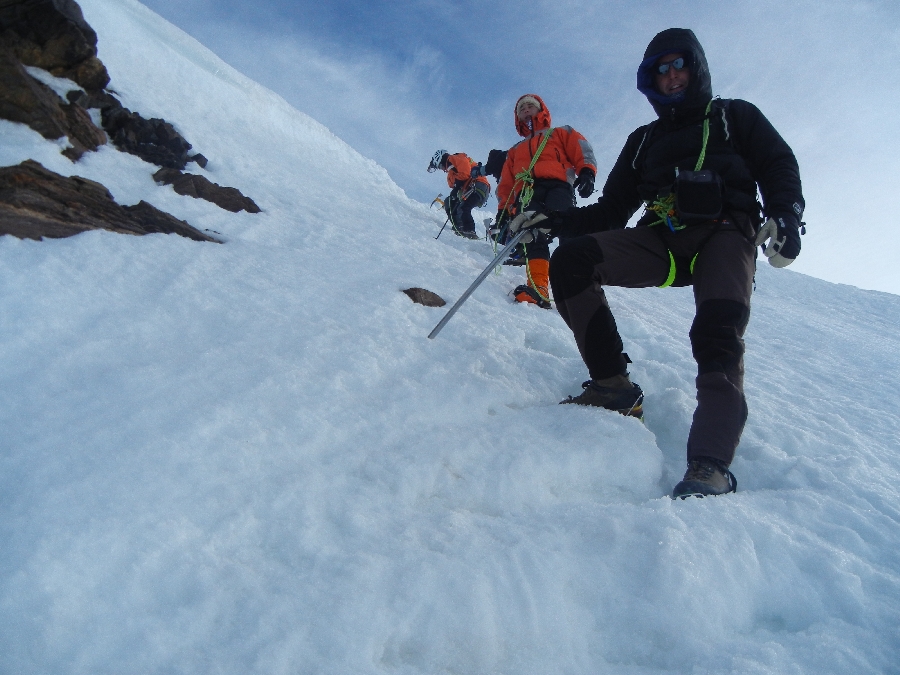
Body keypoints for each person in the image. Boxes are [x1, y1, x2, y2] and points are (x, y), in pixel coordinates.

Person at [507, 28, 805, 498]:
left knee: (717, 331)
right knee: (573, 262)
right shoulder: (643, 141)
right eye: (660, 70)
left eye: (680, 64)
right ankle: (613, 387)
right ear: (651, 81)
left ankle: (710, 463)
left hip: (727, 232)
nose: (672, 76)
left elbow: (777, 162)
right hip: (663, 238)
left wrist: (787, 214)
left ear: (697, 67)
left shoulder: (734, 116)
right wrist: (554, 219)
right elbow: (611, 211)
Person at [494, 94, 597, 308]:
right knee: (532, 233)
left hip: (558, 186)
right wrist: (503, 209)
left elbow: (581, 149)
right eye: (521, 108)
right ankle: (538, 287)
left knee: (566, 228)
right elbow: (506, 182)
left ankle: (577, 285)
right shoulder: (514, 151)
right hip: (527, 191)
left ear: (542, 111)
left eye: (531, 105)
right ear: (517, 117)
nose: (526, 109)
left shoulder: (560, 133)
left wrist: (587, 172)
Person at [427, 150, 491, 239]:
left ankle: (469, 231)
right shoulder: (451, 173)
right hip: (474, 188)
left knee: (464, 207)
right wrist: (456, 190)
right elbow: (453, 184)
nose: (442, 169)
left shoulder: (455, 158)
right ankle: (459, 227)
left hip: (478, 185)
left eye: (440, 166)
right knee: (449, 202)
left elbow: (465, 173)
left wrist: (457, 187)